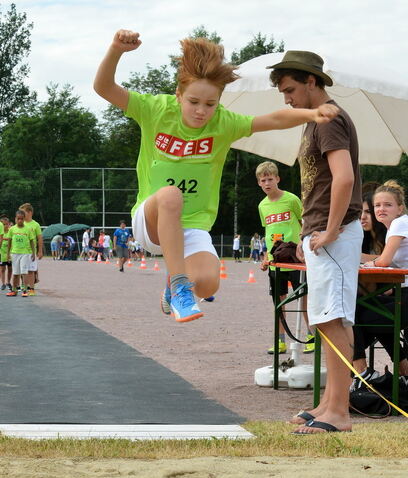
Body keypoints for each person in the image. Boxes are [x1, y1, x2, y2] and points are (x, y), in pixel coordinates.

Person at [94, 30, 339, 324]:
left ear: (219, 101)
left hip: (193, 225)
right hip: (151, 220)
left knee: (209, 284)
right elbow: (104, 87)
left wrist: (311, 115)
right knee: (172, 195)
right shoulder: (155, 110)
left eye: (210, 105)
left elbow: (273, 119)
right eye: (193, 102)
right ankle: (179, 286)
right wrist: (116, 50)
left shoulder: (224, 123)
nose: (201, 111)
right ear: (179, 95)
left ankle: (175, 286)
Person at [270, 51, 363, 433]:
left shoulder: (329, 119)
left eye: (290, 89)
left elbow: (343, 178)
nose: (286, 98)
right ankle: (328, 402)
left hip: (332, 233)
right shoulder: (315, 121)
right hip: (321, 232)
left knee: (334, 319)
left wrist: (330, 228)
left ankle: (339, 412)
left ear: (312, 81)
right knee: (324, 320)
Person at [352, 180, 408, 387]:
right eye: (378, 205)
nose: (381, 209)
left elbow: (383, 261)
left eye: (388, 205)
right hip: (400, 293)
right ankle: (402, 367)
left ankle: (361, 372)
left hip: (405, 295)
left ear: (400, 208)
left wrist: (357, 262)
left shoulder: (400, 223)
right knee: (360, 308)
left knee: (355, 313)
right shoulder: (396, 226)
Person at [256, 160, 314, 355]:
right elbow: (268, 232)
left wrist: (303, 247)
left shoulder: (291, 200)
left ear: (277, 179)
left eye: (270, 179)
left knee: (304, 299)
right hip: (276, 261)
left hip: (296, 258)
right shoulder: (262, 206)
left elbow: (304, 222)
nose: (266, 183)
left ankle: (311, 336)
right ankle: (280, 341)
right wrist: (266, 257)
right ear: (259, 183)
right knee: (279, 301)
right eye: (263, 180)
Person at [6, 210, 36, 296]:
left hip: (25, 253)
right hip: (15, 253)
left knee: (24, 272)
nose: (20, 220)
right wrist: (8, 254)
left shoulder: (28, 229)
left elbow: (32, 242)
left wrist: (33, 253)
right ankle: (14, 290)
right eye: (18, 219)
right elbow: (9, 242)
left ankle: (25, 291)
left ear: (24, 219)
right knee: (15, 273)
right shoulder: (12, 229)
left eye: (21, 219)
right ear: (15, 219)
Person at [19, 203, 43, 293]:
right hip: (20, 250)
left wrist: (40, 251)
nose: (21, 214)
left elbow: (39, 238)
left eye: (23, 212)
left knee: (31, 270)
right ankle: (23, 285)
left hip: (31, 251)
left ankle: (32, 288)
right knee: (22, 269)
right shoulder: (20, 223)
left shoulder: (35, 224)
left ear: (30, 212)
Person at [0, 214, 12, 291]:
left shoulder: (11, 232)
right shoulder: (1, 234)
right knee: (2, 269)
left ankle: (8, 282)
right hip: (2, 254)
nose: (5, 226)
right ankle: (3, 283)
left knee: (10, 269)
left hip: (10, 254)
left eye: (6, 224)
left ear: (9, 224)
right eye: (3, 224)